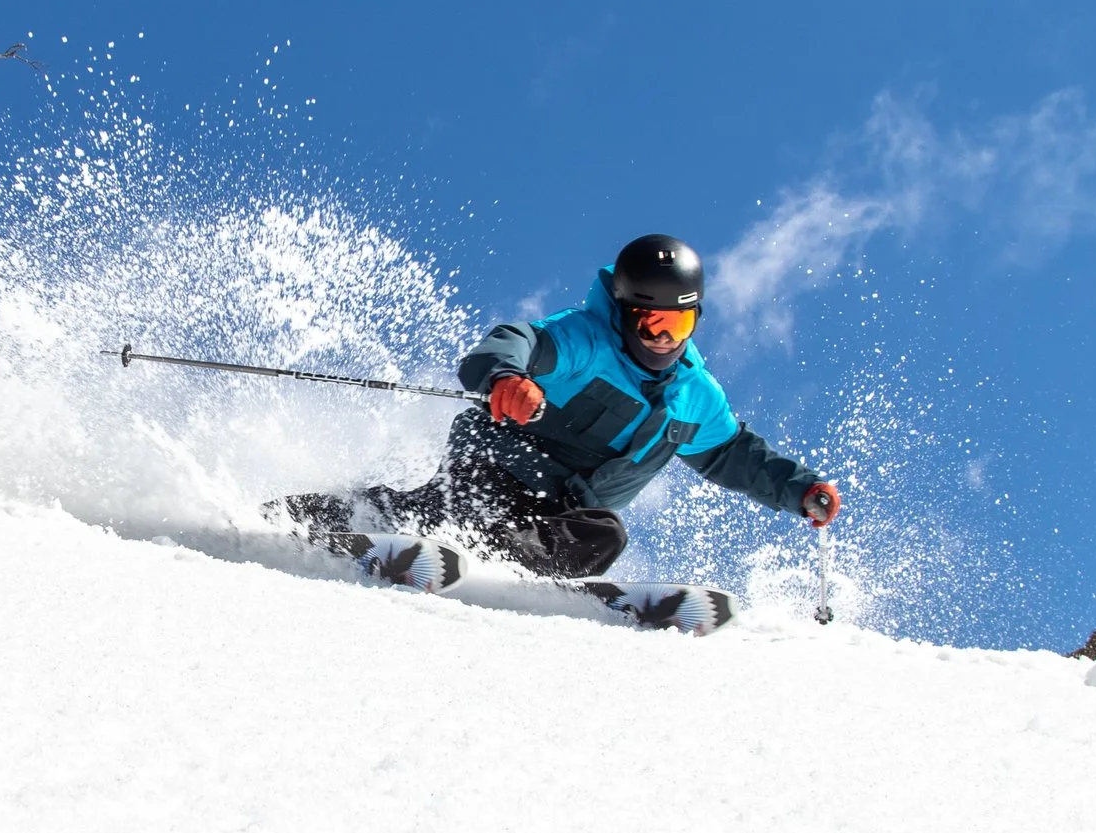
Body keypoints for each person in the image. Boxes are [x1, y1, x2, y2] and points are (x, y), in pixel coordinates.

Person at [287, 233, 841, 579]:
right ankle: (310, 515)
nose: (662, 339)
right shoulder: (587, 341)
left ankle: (492, 557)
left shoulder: (695, 395)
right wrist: (506, 377)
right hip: (500, 464)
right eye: (650, 323)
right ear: (624, 313)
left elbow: (733, 455)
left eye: (679, 323)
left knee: (604, 536)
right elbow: (515, 340)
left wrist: (799, 488)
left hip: (558, 512)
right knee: (435, 510)